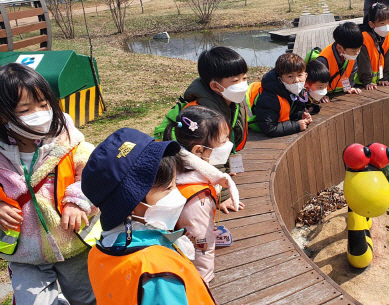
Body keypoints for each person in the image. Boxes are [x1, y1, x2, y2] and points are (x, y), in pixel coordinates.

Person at [0, 63, 100, 305]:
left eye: (44, 105)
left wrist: (77, 202)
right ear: (3, 115)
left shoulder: (69, 142)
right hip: (26, 254)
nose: (40, 112)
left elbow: (93, 174)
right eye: (25, 109)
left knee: (87, 299)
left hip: (75, 245)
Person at [82, 128, 217, 305]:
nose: (179, 195)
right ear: (131, 203)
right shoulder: (157, 271)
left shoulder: (99, 251)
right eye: (168, 189)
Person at [162, 105, 245, 282]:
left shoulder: (176, 165)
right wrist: (203, 281)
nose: (228, 145)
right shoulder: (197, 198)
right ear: (198, 151)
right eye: (223, 141)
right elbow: (201, 246)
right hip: (186, 266)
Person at [183, 46, 249, 153]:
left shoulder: (235, 103)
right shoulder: (200, 115)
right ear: (215, 86)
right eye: (235, 80)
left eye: (245, 78)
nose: (243, 84)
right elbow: (201, 155)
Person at [255, 53, 312, 137]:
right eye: (290, 76)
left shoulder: (298, 90)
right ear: (280, 79)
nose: (296, 80)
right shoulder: (269, 98)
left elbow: (289, 112)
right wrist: (296, 126)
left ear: (305, 75)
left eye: (300, 75)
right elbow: (269, 128)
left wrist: (300, 115)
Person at [356, 3, 389, 90]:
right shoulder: (364, 37)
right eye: (382, 23)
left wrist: (385, 78)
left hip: (381, 80)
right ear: (371, 24)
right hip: (363, 83)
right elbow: (363, 61)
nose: (387, 26)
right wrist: (367, 81)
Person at [316, 22, 363, 95]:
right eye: (354, 51)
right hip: (325, 96)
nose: (357, 53)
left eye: (359, 49)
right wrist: (320, 95)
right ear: (339, 48)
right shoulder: (323, 60)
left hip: (340, 93)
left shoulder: (350, 54)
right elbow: (316, 82)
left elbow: (350, 73)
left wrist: (348, 88)